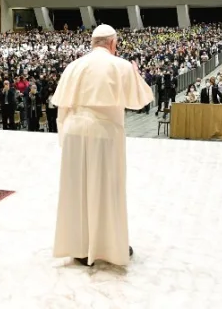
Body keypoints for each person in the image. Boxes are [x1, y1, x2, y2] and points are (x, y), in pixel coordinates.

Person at [51, 24, 153, 267]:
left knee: (77, 190)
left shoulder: (74, 66)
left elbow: (62, 106)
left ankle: (80, 247)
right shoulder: (121, 65)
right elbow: (140, 101)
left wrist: (63, 135)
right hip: (104, 133)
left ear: (93, 43)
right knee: (106, 189)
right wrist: (135, 73)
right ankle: (108, 247)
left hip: (74, 131)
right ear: (112, 43)